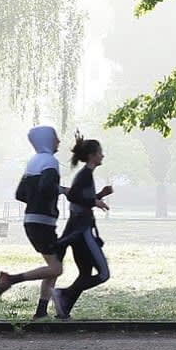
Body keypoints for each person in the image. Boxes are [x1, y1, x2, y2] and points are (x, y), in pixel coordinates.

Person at [0, 124, 66, 318]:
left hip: (34, 220)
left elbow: (20, 194)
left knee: (52, 268)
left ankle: (41, 312)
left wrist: (36, 201)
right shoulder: (50, 161)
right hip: (43, 222)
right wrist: (62, 191)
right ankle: (10, 279)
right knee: (56, 268)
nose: (58, 141)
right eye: (55, 137)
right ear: (48, 140)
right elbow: (46, 187)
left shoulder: (33, 162)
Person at [53, 136, 111, 319]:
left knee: (86, 273)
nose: (103, 155)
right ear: (93, 155)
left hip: (79, 230)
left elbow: (81, 199)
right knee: (103, 274)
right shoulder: (85, 174)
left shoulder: (86, 175)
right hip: (83, 231)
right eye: (100, 152)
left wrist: (100, 195)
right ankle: (62, 294)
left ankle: (64, 308)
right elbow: (73, 196)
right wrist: (95, 200)